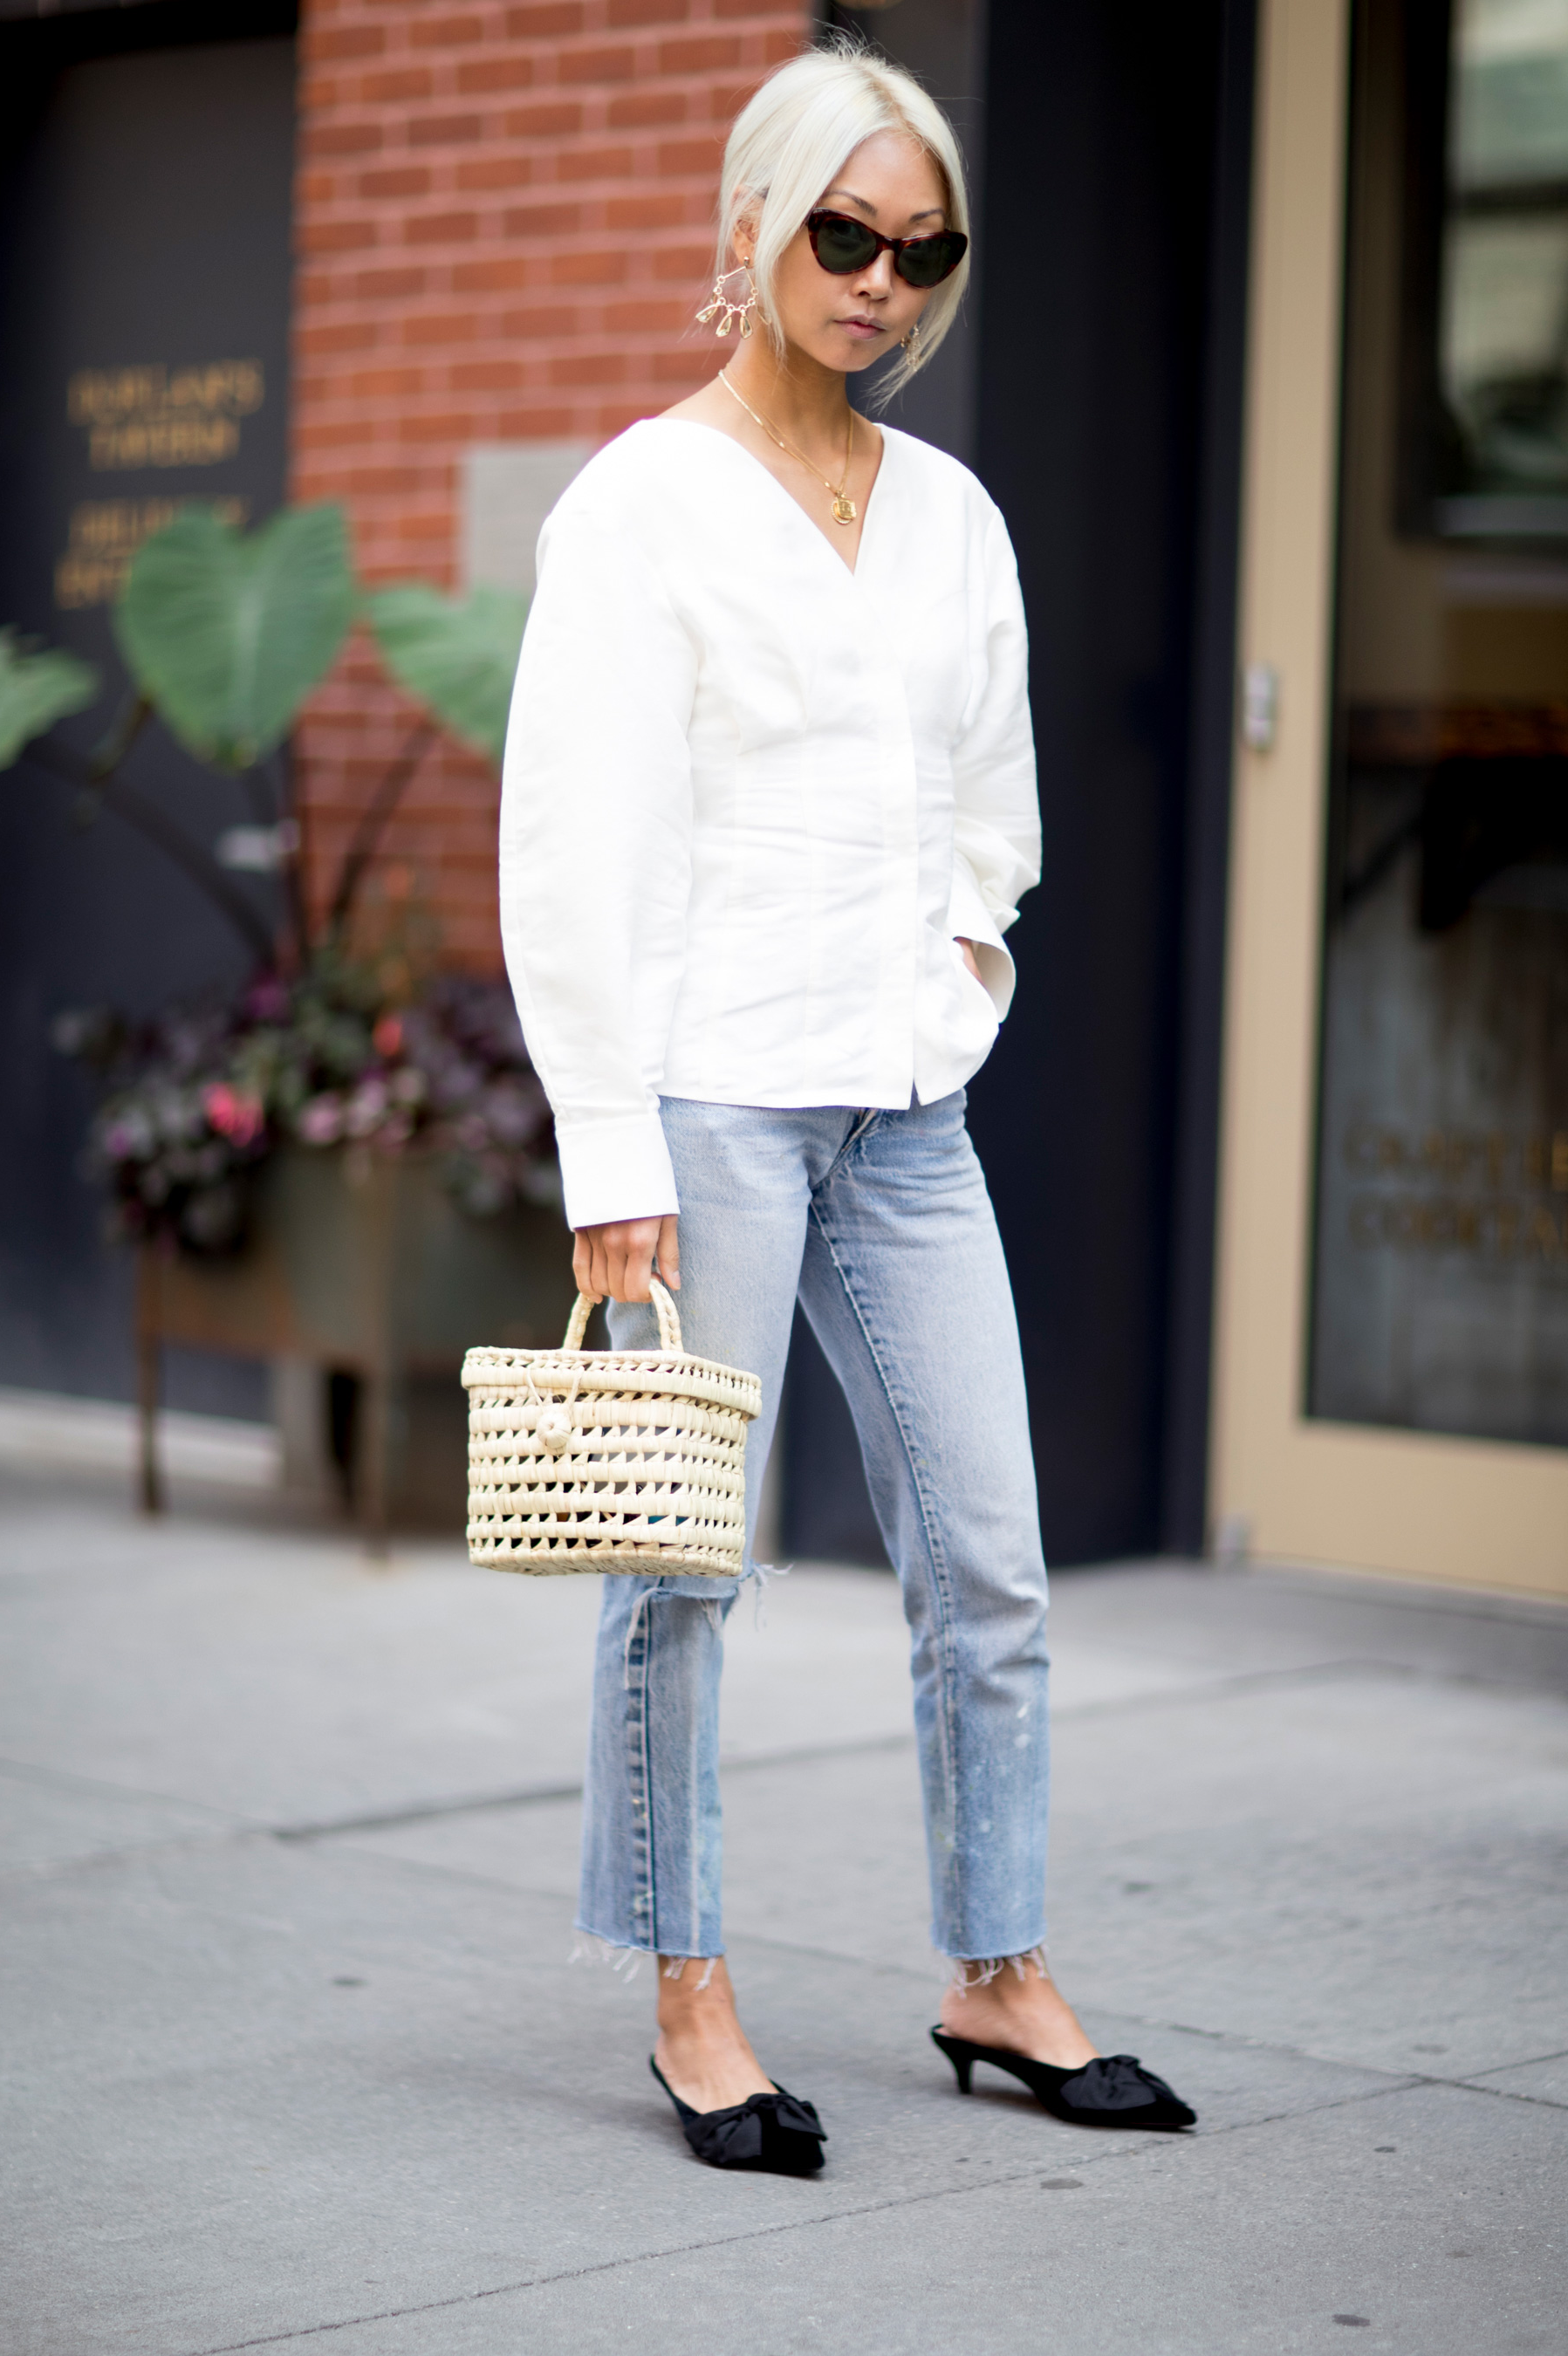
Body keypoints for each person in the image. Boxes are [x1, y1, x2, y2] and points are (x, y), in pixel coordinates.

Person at [499, 38, 1196, 2173]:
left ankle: (1000, 1967)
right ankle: (690, 1993)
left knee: (990, 1554)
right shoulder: (639, 506)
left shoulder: (954, 518)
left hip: (907, 1113)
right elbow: (573, 846)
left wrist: (960, 963)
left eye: (925, 247)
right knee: (684, 1569)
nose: (883, 278)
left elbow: (997, 803)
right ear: (755, 225)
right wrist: (610, 1149)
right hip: (711, 1102)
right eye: (845, 233)